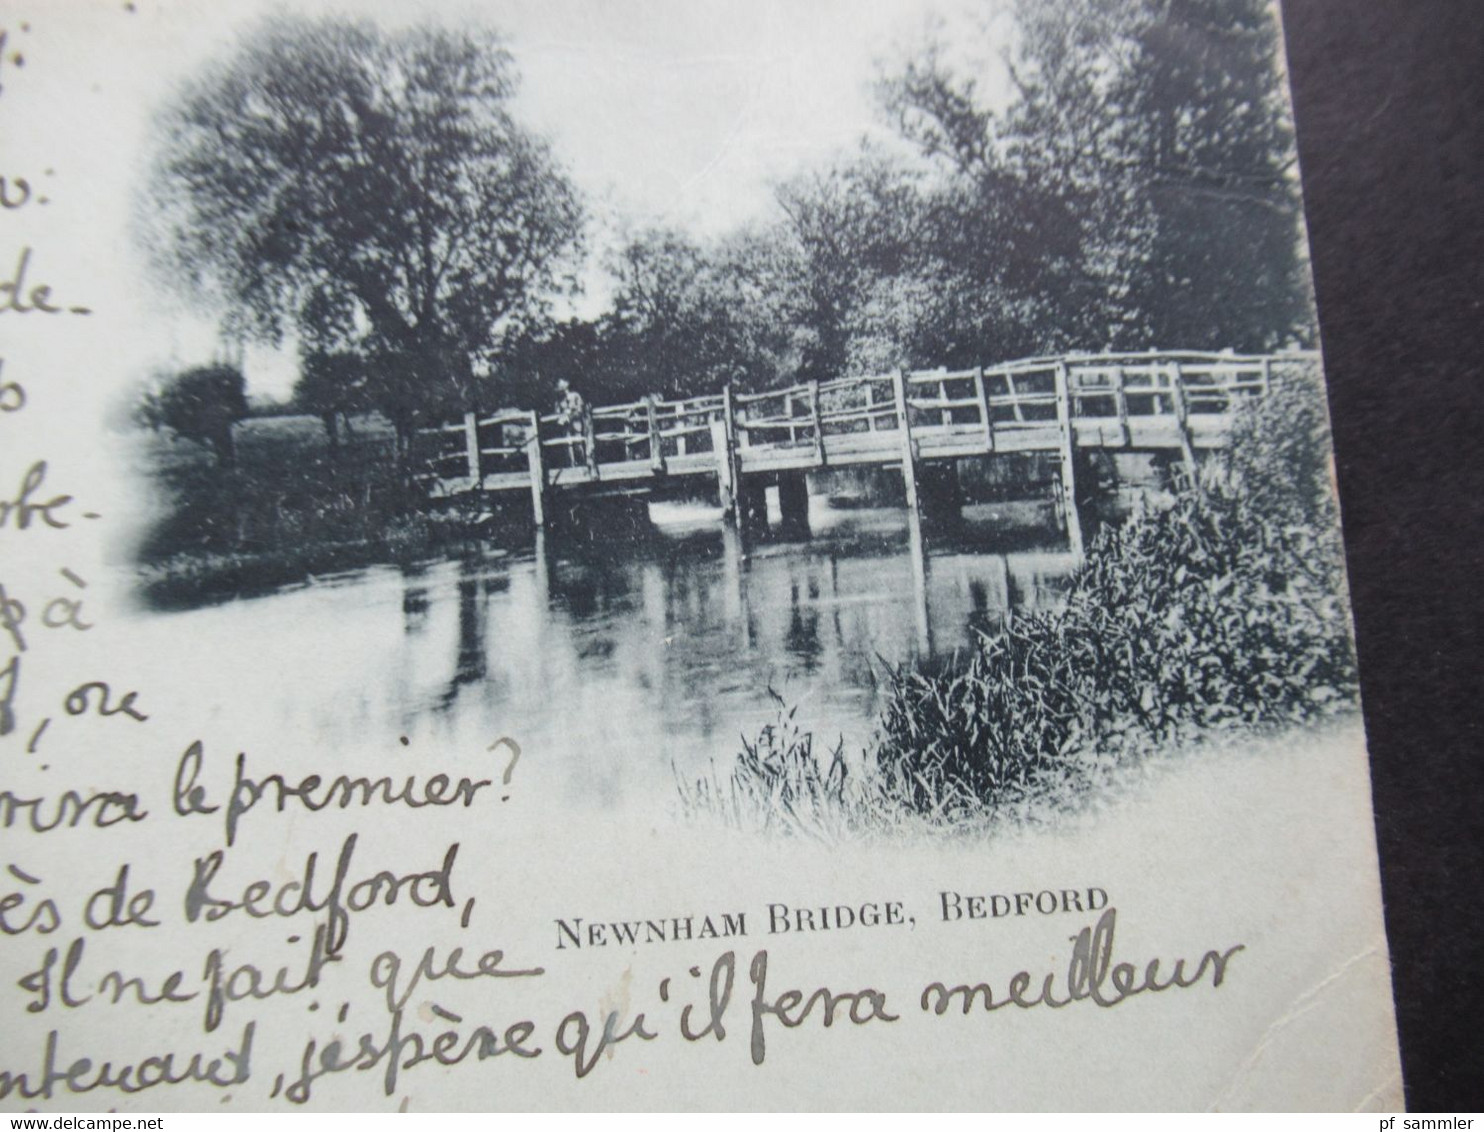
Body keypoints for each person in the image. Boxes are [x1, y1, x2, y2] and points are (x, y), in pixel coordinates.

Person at [553, 378, 586, 467]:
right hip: (566, 424)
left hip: (576, 422)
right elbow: (556, 413)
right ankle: (572, 463)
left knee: (579, 442)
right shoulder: (559, 400)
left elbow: (580, 409)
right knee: (568, 444)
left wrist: (571, 414)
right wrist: (562, 415)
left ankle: (583, 463)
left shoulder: (575, 395)